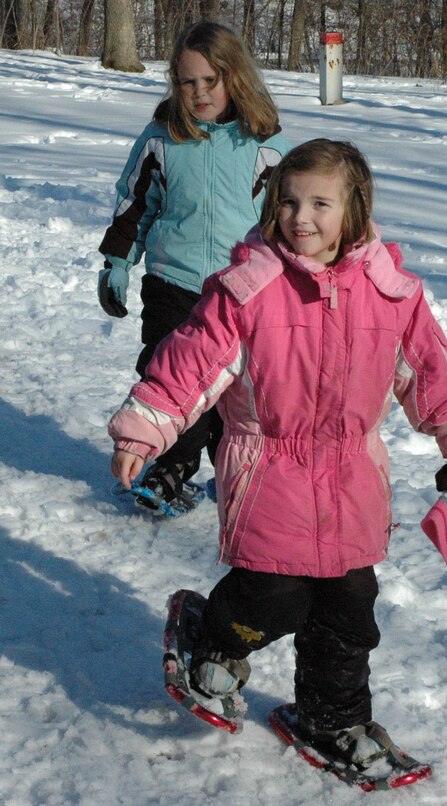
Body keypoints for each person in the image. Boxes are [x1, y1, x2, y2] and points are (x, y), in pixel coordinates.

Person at [108, 139, 447, 769]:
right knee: (274, 593)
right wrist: (145, 427)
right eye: (289, 200)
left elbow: (432, 376)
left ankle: (332, 718)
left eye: (320, 202)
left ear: (356, 209)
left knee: (348, 610)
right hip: (269, 472)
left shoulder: (392, 294)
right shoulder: (249, 289)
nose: (301, 217)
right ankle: (210, 638)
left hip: (352, 480)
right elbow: (189, 365)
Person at [98, 21, 290, 511]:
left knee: (234, 391)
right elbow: (134, 204)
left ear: (235, 78)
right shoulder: (162, 138)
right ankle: (170, 467)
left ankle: (238, 473)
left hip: (239, 291)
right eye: (188, 82)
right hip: (172, 282)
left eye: (211, 80)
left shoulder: (262, 144)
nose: (199, 92)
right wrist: (118, 261)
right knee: (166, 372)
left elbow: (286, 220)